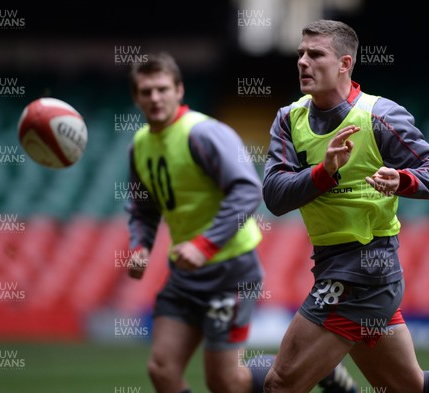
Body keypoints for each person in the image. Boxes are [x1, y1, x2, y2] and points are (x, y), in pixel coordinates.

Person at [262, 20, 429, 393]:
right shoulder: (289, 119)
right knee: (408, 387)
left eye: (315, 54)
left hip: (365, 271)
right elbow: (274, 195)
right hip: (332, 264)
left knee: (280, 384)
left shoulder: (380, 116)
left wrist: (403, 180)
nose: (303, 62)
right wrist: (325, 172)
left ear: (344, 63)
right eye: (301, 53)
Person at [123, 52, 359, 393]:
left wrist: (205, 245)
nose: (155, 98)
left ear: (179, 90)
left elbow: (248, 191)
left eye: (162, 89)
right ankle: (313, 368)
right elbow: (142, 207)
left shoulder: (204, 134)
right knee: (161, 369)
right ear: (136, 97)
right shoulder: (140, 146)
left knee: (225, 382)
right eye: (146, 92)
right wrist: (141, 246)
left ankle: (317, 369)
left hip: (229, 270)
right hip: (184, 273)